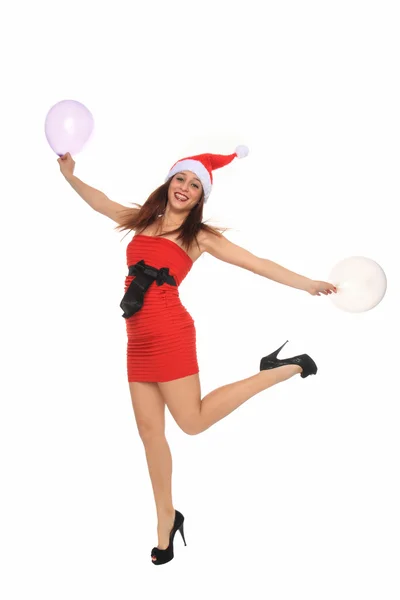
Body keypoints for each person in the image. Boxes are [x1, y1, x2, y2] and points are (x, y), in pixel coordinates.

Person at [58, 146, 337, 565]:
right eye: (180, 179)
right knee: (151, 434)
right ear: (169, 182)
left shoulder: (199, 238)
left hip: (171, 334)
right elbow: (101, 202)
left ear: (200, 195)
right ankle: (165, 520)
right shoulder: (143, 222)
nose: (185, 188)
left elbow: (257, 264)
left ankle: (282, 369)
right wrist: (70, 175)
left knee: (192, 422)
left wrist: (307, 283)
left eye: (194, 184)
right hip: (137, 339)